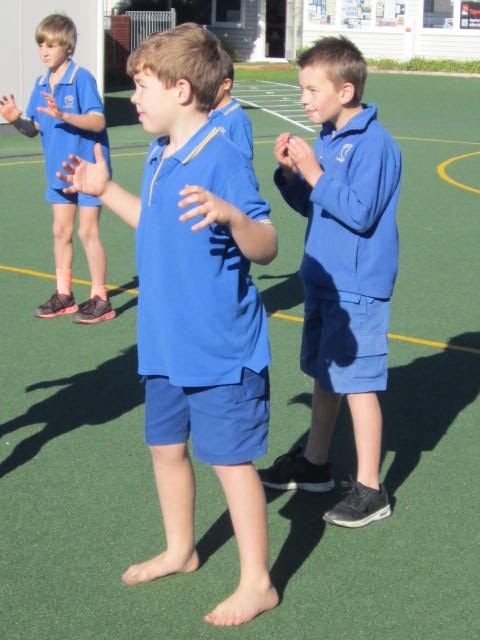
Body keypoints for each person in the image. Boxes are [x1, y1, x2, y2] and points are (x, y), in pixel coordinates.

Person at [58, 24, 279, 626]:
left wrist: (231, 215)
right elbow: (153, 223)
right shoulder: (159, 153)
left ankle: (257, 582)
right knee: (165, 448)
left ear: (182, 91)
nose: (133, 98)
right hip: (163, 342)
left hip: (218, 348)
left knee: (230, 462)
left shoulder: (223, 156)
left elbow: (267, 245)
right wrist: (105, 189)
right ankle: (182, 550)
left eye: (142, 86)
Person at [258, 36, 402, 528]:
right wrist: (291, 176)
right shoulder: (327, 137)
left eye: (311, 89)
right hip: (324, 280)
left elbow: (360, 213)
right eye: (301, 89)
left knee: (358, 384)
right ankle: (315, 463)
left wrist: (315, 172)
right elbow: (315, 206)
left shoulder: (375, 144)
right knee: (326, 374)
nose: (303, 98)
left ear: (345, 91)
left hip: (356, 285)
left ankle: (370, 488)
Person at [0, 13, 115, 323]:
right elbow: (34, 128)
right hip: (58, 173)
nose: (44, 51)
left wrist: (64, 115)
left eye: (51, 45)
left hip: (88, 172)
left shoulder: (81, 78)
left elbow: (98, 121)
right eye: (41, 44)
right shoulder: (41, 84)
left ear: (69, 47)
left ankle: (101, 298)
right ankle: (64, 296)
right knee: (60, 231)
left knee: (87, 232)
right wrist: (16, 120)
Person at [209, 47, 254, 160]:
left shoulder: (238, 119)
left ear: (226, 84)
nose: (203, 89)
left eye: (209, 84)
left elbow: (244, 161)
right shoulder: (203, 112)